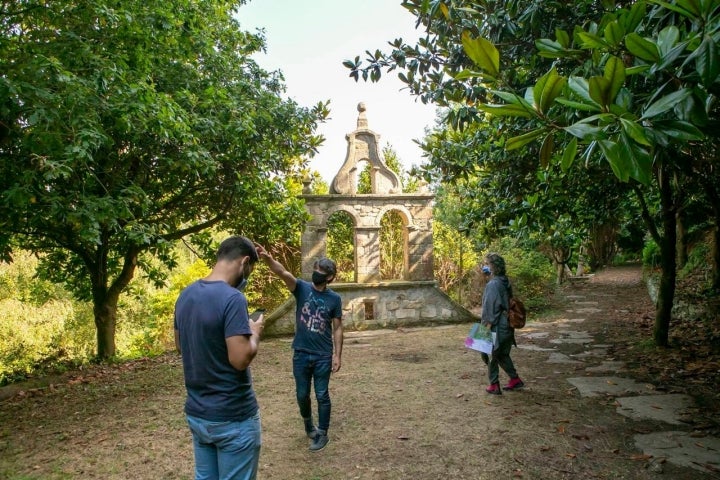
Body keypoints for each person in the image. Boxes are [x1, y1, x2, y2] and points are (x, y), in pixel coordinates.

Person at [174, 235, 264, 480]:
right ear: (244, 262)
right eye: (250, 270)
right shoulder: (233, 298)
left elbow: (181, 346)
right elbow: (240, 359)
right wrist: (254, 333)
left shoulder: (186, 295)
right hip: (232, 417)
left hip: (198, 415)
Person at [256, 244, 343, 452]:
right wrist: (267, 258)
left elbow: (338, 328)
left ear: (330, 277)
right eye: (316, 271)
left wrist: (337, 355)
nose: (317, 275)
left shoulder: (334, 299)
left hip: (323, 354)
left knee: (322, 394)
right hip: (301, 353)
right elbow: (282, 272)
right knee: (302, 394)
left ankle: (322, 433)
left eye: (322, 273)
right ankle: (308, 424)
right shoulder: (301, 288)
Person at [480, 252, 524, 395]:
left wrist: (485, 326)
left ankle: (494, 384)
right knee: (503, 354)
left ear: (492, 267)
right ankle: (515, 379)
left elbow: (490, 308)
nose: (484, 267)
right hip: (507, 323)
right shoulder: (505, 280)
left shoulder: (493, 284)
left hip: (497, 324)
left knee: (490, 353)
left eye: (486, 264)